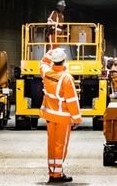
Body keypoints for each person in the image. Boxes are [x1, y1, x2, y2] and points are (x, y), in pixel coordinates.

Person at [40, 48, 82, 183]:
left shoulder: (46, 73)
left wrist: (50, 51)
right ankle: (57, 175)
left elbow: (42, 62)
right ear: (64, 60)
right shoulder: (66, 78)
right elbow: (72, 100)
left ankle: (52, 172)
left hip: (49, 115)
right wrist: (76, 118)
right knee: (60, 145)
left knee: (51, 144)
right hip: (62, 116)